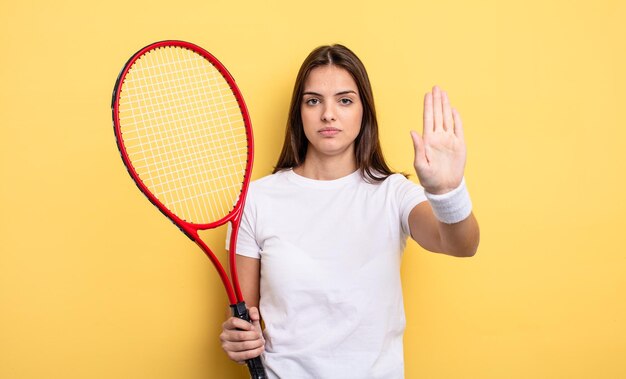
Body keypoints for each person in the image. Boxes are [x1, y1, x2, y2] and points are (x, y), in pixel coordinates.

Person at [220, 44, 480, 379]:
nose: (328, 114)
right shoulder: (256, 199)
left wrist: (447, 192)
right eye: (313, 100)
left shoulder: (393, 194)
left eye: (345, 100)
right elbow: (245, 323)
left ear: (364, 111)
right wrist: (239, 341)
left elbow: (461, 245)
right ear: (299, 112)